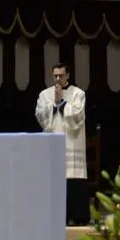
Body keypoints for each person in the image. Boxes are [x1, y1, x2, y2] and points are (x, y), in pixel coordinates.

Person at [36, 63, 89, 226]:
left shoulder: (78, 93)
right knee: (56, 177)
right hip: (54, 142)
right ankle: (57, 216)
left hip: (72, 141)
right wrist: (54, 104)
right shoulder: (45, 95)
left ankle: (78, 216)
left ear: (68, 76)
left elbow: (78, 115)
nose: (58, 79)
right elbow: (40, 114)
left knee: (73, 178)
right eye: (55, 76)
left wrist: (62, 103)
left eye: (61, 75)